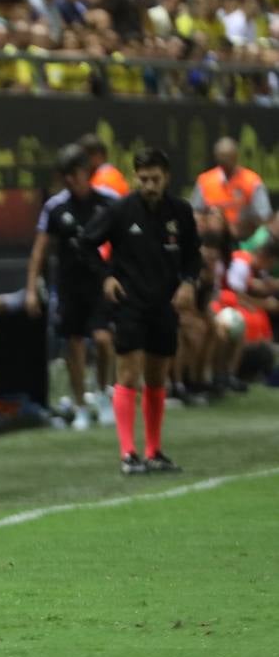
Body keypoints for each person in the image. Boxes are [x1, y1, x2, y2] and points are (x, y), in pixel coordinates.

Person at [81, 148, 201, 475]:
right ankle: (127, 453)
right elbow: (86, 242)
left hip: (165, 302)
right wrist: (106, 277)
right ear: (136, 177)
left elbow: (193, 255)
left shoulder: (181, 212)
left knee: (157, 377)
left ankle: (153, 450)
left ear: (167, 178)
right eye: (144, 178)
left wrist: (189, 282)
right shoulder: (120, 211)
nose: (149, 185)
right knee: (129, 374)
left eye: (155, 179)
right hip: (130, 302)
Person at [25, 144, 118, 430]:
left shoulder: (110, 201)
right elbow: (40, 249)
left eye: (74, 173)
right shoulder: (55, 207)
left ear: (85, 172)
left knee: (103, 340)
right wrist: (31, 288)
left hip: (101, 283)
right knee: (74, 344)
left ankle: (103, 393)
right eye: (65, 174)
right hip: (68, 285)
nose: (70, 179)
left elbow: (126, 240)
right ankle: (79, 404)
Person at [191, 137, 272, 239]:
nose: (225, 160)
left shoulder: (252, 181)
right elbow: (195, 212)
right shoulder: (205, 180)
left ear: (236, 156)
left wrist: (244, 225)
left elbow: (264, 216)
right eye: (222, 156)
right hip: (213, 239)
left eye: (228, 156)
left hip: (245, 238)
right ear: (216, 157)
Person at [78, 133, 129, 199]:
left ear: (97, 155)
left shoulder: (102, 181)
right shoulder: (113, 174)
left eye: (83, 157)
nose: (81, 163)